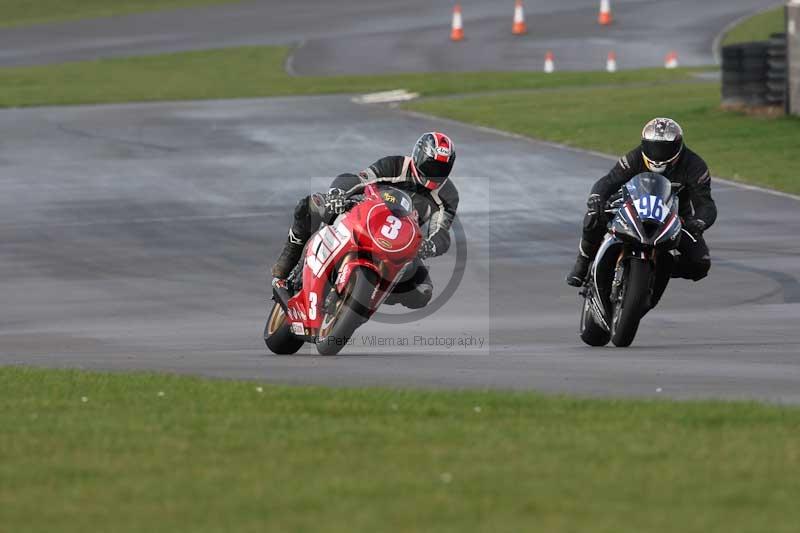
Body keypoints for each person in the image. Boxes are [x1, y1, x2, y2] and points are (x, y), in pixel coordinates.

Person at [271, 132, 459, 309]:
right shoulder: (395, 165)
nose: (434, 173)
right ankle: (287, 263)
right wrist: (338, 194)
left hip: (400, 241)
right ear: (418, 156)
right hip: (365, 215)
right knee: (309, 206)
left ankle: (363, 299)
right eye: (430, 166)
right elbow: (358, 179)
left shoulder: (448, 195)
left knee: (421, 293)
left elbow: (441, 231)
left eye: (441, 169)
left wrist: (430, 246)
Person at [566, 117, 717, 287]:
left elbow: (705, 203)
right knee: (594, 215)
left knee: (701, 264)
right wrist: (596, 197)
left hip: (673, 218)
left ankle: (661, 268)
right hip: (631, 207)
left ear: (678, 145)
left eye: (665, 147)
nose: (658, 153)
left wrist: (699, 222)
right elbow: (609, 181)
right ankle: (582, 262)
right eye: (653, 146)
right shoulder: (635, 157)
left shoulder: (694, 165)